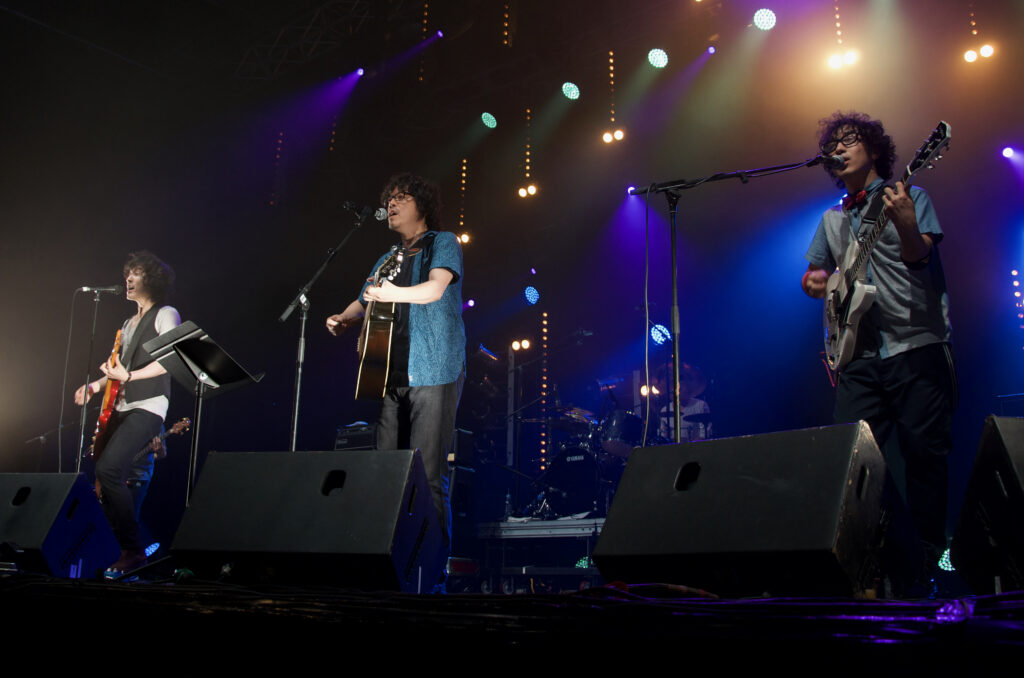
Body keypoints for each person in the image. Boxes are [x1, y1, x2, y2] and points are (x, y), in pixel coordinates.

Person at [801, 112, 956, 568]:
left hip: (915, 345)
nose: (839, 148)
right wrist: (815, 281)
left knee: (924, 459)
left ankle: (928, 562)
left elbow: (920, 258)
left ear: (873, 149)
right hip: (859, 356)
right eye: (833, 144)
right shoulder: (831, 219)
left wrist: (905, 223)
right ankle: (866, 562)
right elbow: (814, 274)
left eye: (849, 140)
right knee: (851, 460)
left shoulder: (911, 195)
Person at [326, 173, 466, 577]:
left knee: (429, 474)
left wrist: (391, 294)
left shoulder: (443, 242)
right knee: (386, 472)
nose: (391, 204)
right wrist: (343, 317)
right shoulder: (387, 257)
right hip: (390, 373)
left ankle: (434, 573)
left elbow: (435, 289)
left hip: (435, 368)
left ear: (422, 206)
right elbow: (364, 297)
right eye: (390, 198)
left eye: (402, 197)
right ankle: (388, 566)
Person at [75, 251, 180, 574]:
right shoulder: (127, 323)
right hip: (121, 405)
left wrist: (130, 376)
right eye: (127, 273)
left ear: (152, 280)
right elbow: (118, 369)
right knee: (102, 478)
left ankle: (133, 550)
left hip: (149, 405)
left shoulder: (166, 314)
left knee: (109, 470)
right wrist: (94, 386)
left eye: (136, 273)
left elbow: (171, 358)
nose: (128, 279)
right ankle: (113, 548)